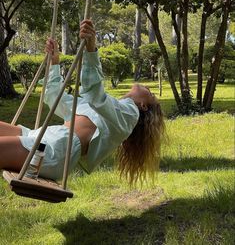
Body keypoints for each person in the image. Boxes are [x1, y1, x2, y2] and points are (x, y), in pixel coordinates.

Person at [0, 20, 165, 185]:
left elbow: (95, 93)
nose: (146, 87)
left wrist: (91, 50)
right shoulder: (101, 107)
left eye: (149, 93)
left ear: (143, 106)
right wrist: (54, 63)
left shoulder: (128, 116)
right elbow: (54, 96)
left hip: (55, 150)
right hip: (42, 136)